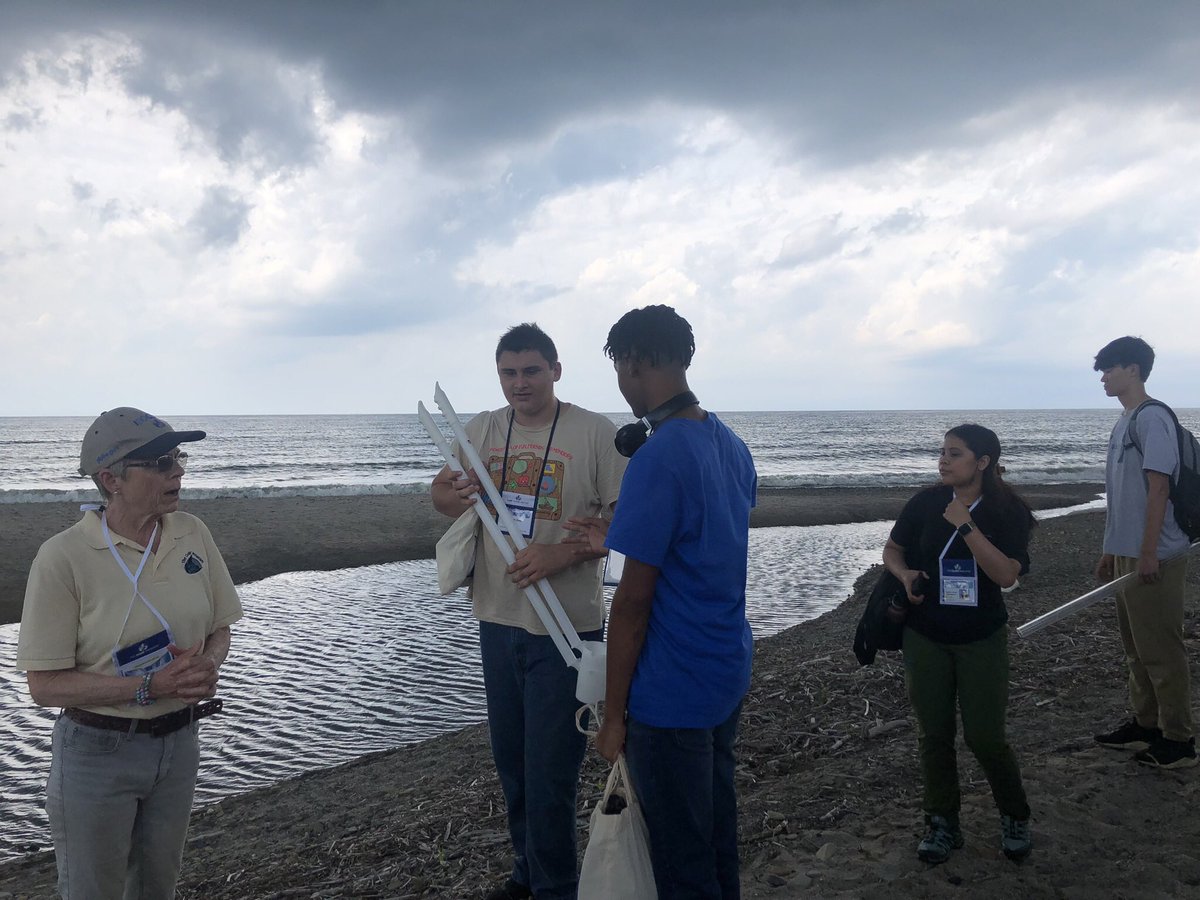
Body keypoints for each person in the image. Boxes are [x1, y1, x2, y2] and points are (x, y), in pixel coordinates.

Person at [430, 323, 626, 900]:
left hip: (566, 626)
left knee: (551, 772)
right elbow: (441, 496)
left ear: (555, 371)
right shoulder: (487, 428)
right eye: (509, 373)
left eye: (531, 371)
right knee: (513, 764)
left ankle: (556, 885)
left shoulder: (594, 433)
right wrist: (458, 491)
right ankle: (527, 874)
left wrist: (560, 552)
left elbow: (627, 524)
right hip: (497, 617)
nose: (520, 383)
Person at [567, 305, 757, 899]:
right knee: (713, 829)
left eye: (619, 369)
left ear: (630, 364)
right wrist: (617, 538)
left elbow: (632, 603)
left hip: (672, 690)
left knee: (678, 855)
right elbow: (703, 540)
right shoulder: (728, 442)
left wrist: (615, 717)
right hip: (725, 666)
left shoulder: (658, 456)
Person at [16, 407, 242, 898]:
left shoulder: (191, 532)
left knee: (157, 887)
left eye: (178, 457)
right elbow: (44, 686)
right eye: (161, 462)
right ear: (109, 479)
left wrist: (208, 663)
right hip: (98, 752)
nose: (178, 470)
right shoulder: (63, 558)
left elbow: (220, 626)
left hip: (179, 743)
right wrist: (147, 685)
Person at [881, 424, 1034, 865]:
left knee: (986, 738)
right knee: (934, 736)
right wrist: (905, 574)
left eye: (955, 453)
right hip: (925, 634)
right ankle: (942, 823)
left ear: (982, 462)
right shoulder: (926, 501)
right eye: (942, 452)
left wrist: (965, 524)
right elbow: (893, 549)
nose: (943, 460)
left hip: (981, 638)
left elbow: (1007, 576)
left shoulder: (1008, 510)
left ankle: (1014, 815)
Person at [1091, 336, 1196, 768]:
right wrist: (1110, 550)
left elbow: (1159, 487)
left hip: (1157, 552)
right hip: (1128, 552)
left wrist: (1149, 551)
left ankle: (1179, 740)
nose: (1103, 377)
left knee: (1161, 649)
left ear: (1133, 369)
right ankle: (1146, 722)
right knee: (1135, 647)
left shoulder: (1152, 419)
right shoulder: (1125, 420)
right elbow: (1122, 496)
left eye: (1109, 368)